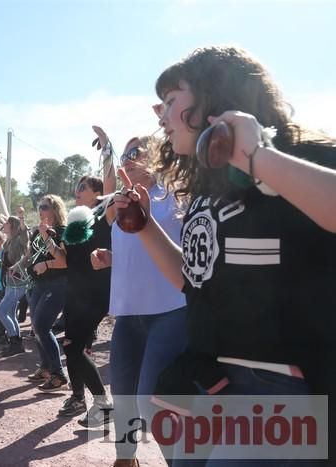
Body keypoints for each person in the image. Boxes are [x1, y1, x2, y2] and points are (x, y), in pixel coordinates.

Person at [121, 46, 336, 465]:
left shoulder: (296, 151)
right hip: (209, 379)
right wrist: (145, 227)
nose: (160, 117)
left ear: (212, 93)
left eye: (170, 101)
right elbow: (193, 281)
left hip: (280, 390)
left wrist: (259, 157)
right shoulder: (210, 185)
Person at [92, 134, 187, 467]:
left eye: (136, 151)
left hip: (170, 312)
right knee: (123, 400)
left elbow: (180, 254)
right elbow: (141, 252)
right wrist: (112, 259)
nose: (129, 157)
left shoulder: (175, 195)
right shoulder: (121, 202)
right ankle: (126, 460)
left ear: (158, 156)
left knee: (152, 401)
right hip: (128, 315)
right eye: (126, 152)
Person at [55, 174, 114, 426]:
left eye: (83, 188)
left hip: (95, 292)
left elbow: (113, 190)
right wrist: (48, 238)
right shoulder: (77, 221)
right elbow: (64, 260)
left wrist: (106, 149)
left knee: (75, 347)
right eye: (76, 187)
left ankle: (103, 404)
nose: (77, 191)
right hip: (74, 292)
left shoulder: (105, 216)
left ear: (97, 193)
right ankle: (79, 398)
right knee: (70, 346)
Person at [23, 194, 69, 392]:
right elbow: (31, 256)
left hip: (57, 284)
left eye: (45, 207)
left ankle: (59, 374)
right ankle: (45, 368)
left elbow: (63, 261)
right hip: (38, 285)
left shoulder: (62, 232)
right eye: (39, 206)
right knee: (36, 327)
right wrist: (20, 266)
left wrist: (45, 237)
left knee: (42, 326)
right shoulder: (36, 232)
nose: (41, 210)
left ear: (55, 210)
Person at [0, 211, 30, 356]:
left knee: (1, 312)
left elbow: (25, 235)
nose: (4, 224)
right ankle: (16, 344)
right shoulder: (8, 241)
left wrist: (21, 218)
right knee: (10, 313)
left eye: (7, 223)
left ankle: (15, 341)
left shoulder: (18, 240)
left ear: (13, 226)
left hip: (18, 282)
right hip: (10, 282)